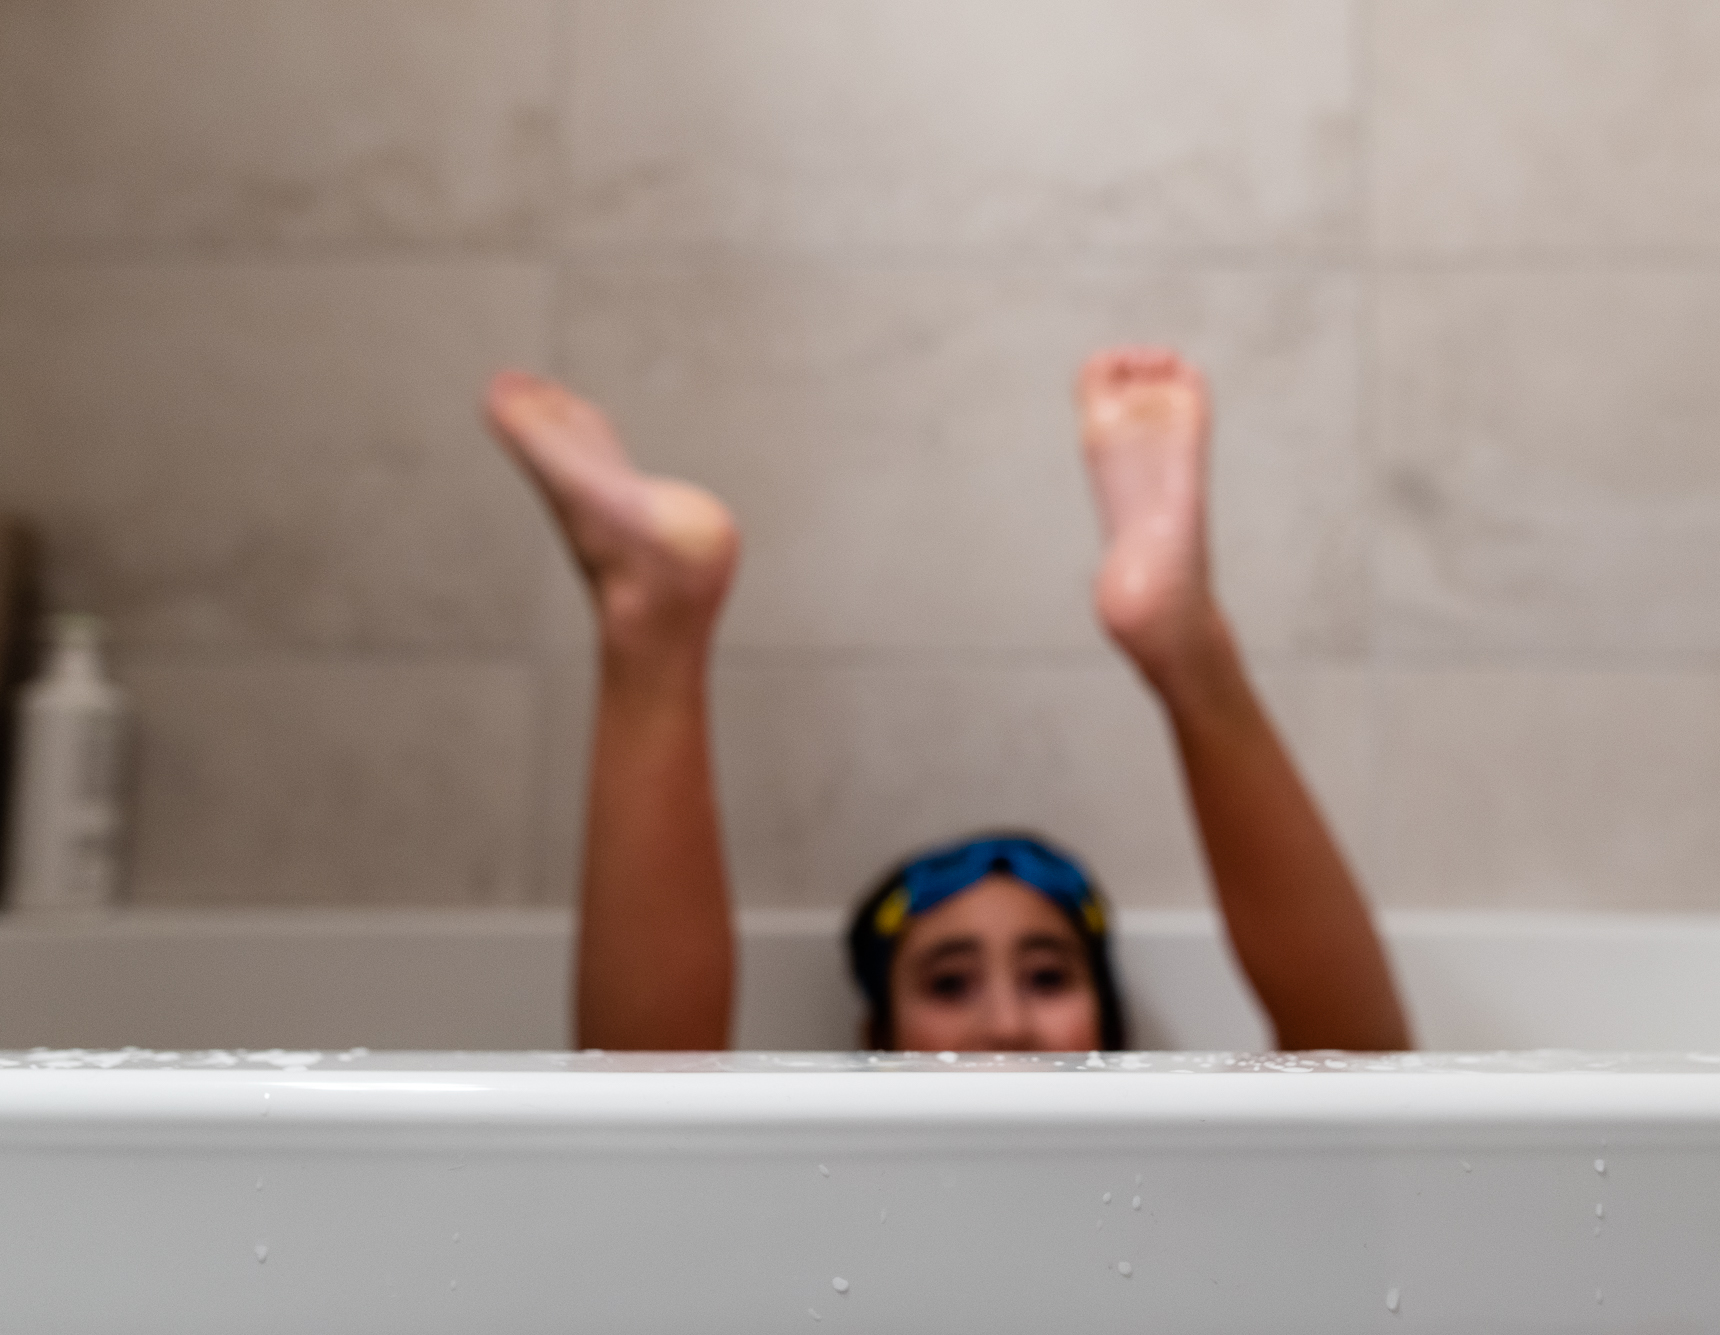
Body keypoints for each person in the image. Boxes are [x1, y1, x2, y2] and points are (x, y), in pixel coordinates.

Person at [483, 348, 1409, 1053]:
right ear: (880, 1036)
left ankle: (1191, 659)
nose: (1006, 1024)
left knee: (1385, 1113)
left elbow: (1371, 1083)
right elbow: (644, 1141)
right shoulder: (831, 1204)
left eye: (1048, 977)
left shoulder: (1171, 1188)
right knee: (646, 1167)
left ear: (1108, 1019)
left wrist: (1194, 659)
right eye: (949, 982)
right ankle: (653, 625)